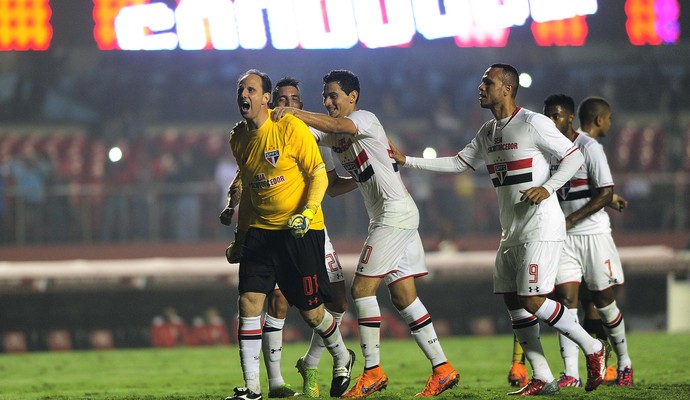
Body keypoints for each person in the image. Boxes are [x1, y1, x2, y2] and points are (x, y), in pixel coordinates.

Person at [388, 64, 610, 396]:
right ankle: (543, 376)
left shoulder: (534, 123)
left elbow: (573, 156)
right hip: (511, 231)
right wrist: (408, 161)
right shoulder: (489, 131)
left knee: (532, 299)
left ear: (506, 88)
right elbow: (459, 163)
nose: (480, 87)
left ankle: (592, 348)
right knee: (513, 300)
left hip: (541, 226)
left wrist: (548, 188)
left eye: (487, 82)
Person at [271, 69, 459, 398]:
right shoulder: (333, 134)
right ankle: (442, 369)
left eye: (333, 95)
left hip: (394, 216)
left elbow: (337, 127)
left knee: (361, 290)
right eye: (325, 96)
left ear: (352, 97)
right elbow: (329, 179)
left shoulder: (364, 119)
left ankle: (372, 371)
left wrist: (295, 111)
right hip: (389, 217)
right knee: (403, 297)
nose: (327, 101)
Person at [220, 76, 358, 398]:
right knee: (249, 301)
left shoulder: (291, 128)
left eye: (250, 90)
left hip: (299, 232)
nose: (243, 94)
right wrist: (241, 237)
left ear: (266, 97)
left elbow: (318, 174)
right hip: (261, 233)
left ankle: (341, 355)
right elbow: (252, 190)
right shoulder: (237, 138)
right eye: (240, 90)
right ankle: (253, 388)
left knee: (311, 311)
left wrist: (308, 212)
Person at [544, 95, 632, 387]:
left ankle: (624, 364)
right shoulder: (547, 150)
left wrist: (570, 219)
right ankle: (571, 373)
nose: (550, 122)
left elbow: (605, 192)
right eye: (548, 116)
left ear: (570, 118)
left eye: (555, 116)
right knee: (566, 302)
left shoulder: (589, 147)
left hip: (593, 235)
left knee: (604, 302)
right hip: (563, 239)